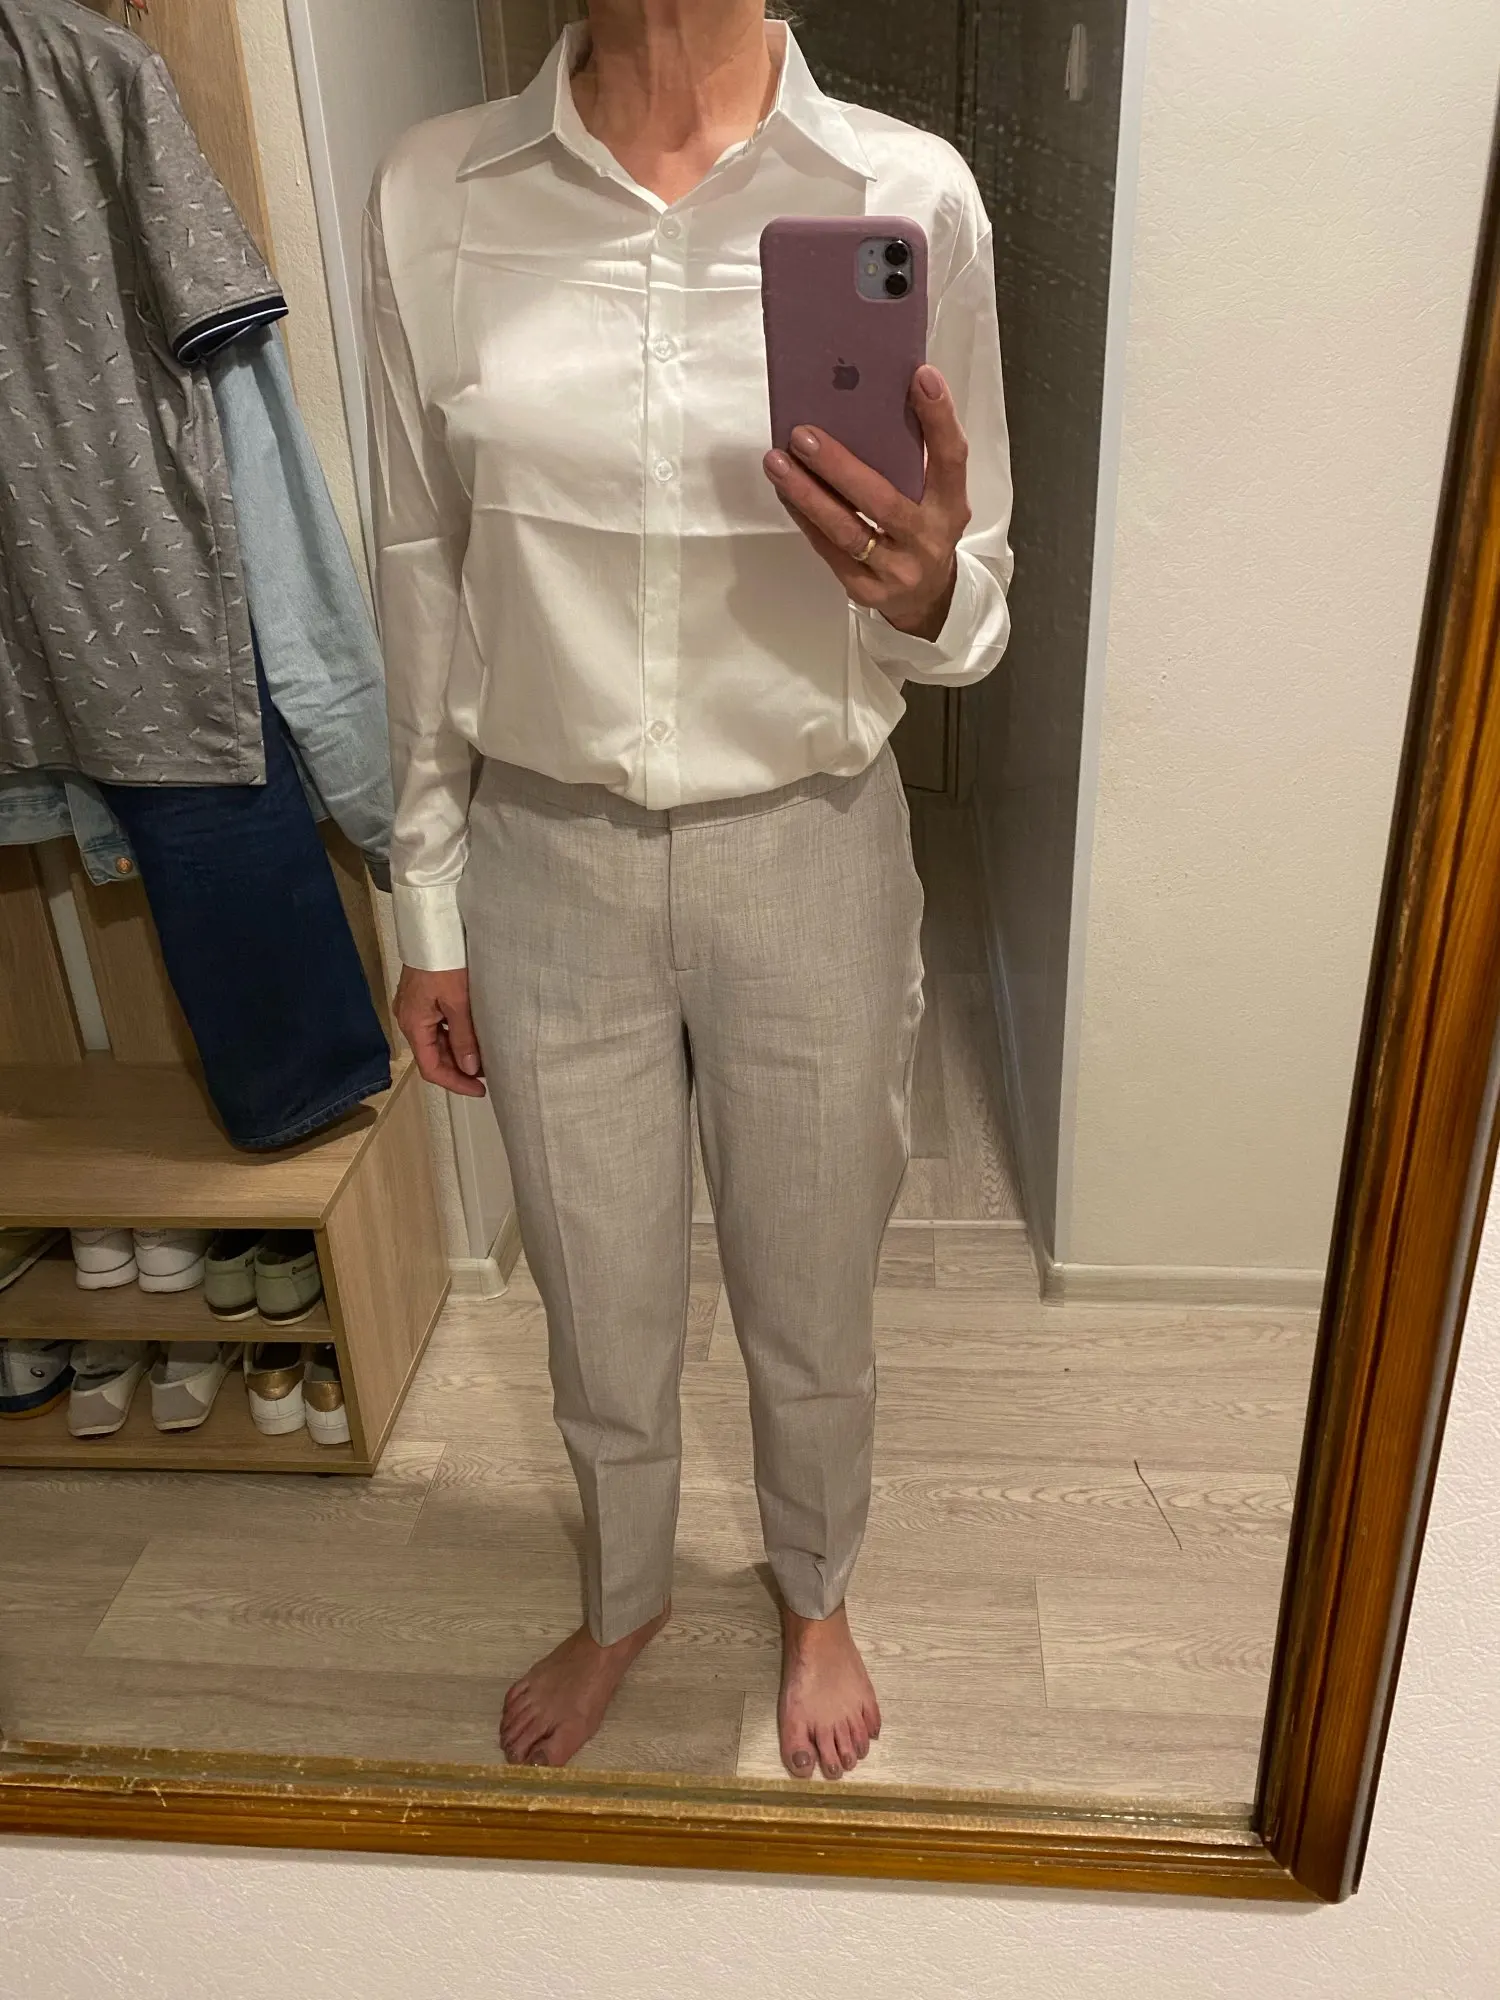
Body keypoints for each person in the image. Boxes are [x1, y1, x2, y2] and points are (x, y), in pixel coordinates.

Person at [364, 0, 1013, 1782]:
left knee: (812, 1285)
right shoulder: (436, 193)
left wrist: (926, 592)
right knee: (594, 1295)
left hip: (807, 838)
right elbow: (421, 562)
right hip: (543, 850)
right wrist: (426, 898)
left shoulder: (904, 192)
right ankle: (624, 1594)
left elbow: (980, 591)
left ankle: (815, 1586)